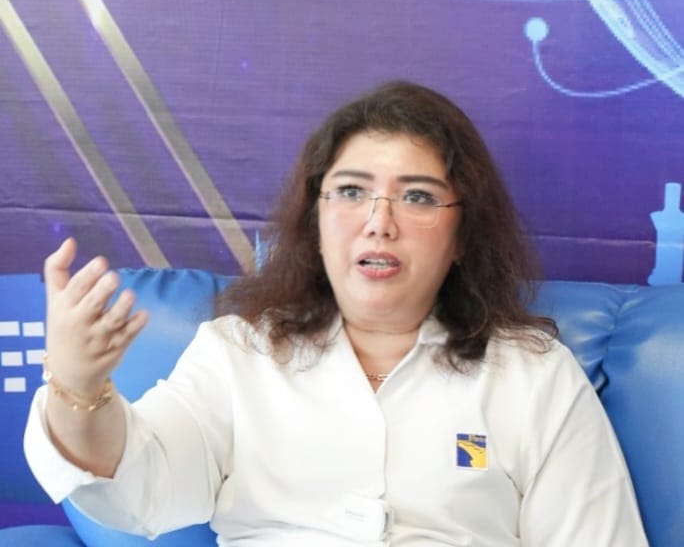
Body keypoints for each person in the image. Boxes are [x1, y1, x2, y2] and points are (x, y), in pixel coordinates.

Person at [25, 81, 648, 546]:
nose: (380, 221)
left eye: (417, 196)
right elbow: (138, 486)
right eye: (351, 191)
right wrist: (79, 386)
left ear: (462, 236)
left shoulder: (534, 375)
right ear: (315, 222)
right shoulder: (239, 353)